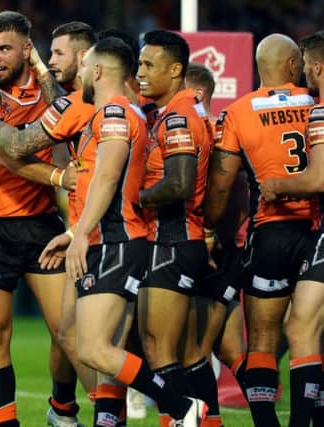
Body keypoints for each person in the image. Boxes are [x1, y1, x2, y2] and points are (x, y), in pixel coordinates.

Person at [41, 36, 209, 427]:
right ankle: (113, 418)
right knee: (81, 340)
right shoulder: (118, 113)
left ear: (97, 71)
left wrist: (81, 232)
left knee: (98, 349)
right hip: (108, 239)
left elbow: (107, 177)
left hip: (116, 243)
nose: (79, 73)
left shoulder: (114, 113)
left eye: (84, 67)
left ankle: (182, 407)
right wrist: (78, 233)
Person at [0, 11, 80, 427]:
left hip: (42, 224)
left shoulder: (51, 89)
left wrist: (43, 69)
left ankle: (62, 408)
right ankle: (5, 423)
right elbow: (9, 156)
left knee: (68, 330)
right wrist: (61, 176)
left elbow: (65, 103)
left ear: (27, 49)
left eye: (4, 48)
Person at [203, 33, 315, 427]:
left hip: (269, 233)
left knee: (264, 338)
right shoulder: (316, 103)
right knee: (309, 332)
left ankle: (266, 423)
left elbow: (223, 184)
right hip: (316, 231)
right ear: (290, 66)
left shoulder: (237, 112)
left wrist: (212, 229)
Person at [135, 30, 221, 427]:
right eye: (139, 63)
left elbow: (180, 182)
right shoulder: (185, 111)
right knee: (186, 351)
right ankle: (208, 421)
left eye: (149, 65)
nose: (141, 73)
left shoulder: (179, 116)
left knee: (160, 348)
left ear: (175, 69)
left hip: (172, 238)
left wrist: (135, 197)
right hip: (181, 239)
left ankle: (185, 418)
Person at [260, 30, 324, 427]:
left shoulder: (320, 111)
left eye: (307, 68)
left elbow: (319, 178)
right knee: (308, 324)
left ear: (316, 67)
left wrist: (278, 186)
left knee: (300, 325)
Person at [185, 62, 248, 386]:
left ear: (196, 93)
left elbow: (233, 192)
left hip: (212, 253)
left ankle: (194, 417)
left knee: (194, 349)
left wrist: (211, 238)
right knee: (230, 349)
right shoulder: (213, 129)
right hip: (224, 249)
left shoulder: (213, 132)